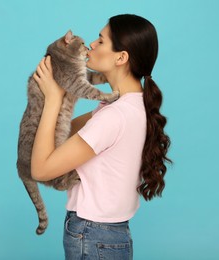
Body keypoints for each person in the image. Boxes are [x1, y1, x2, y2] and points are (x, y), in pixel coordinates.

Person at [31, 14, 172, 260]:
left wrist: (53, 99)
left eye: (101, 40)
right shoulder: (126, 105)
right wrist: (64, 87)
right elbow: (62, 133)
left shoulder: (114, 116)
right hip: (107, 235)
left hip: (92, 234)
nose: (92, 45)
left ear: (121, 57)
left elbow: (41, 170)